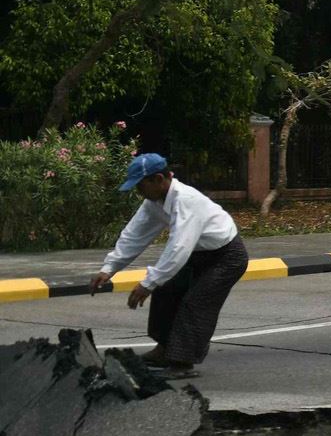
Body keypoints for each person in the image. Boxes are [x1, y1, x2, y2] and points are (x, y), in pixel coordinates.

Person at [89, 153, 249, 377]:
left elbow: (178, 247)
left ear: (158, 179)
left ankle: (182, 363)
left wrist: (148, 283)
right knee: (165, 290)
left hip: (226, 257)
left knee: (195, 304)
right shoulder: (154, 202)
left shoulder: (186, 200)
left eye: (140, 186)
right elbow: (135, 235)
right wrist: (109, 268)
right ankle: (164, 349)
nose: (139, 192)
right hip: (197, 254)